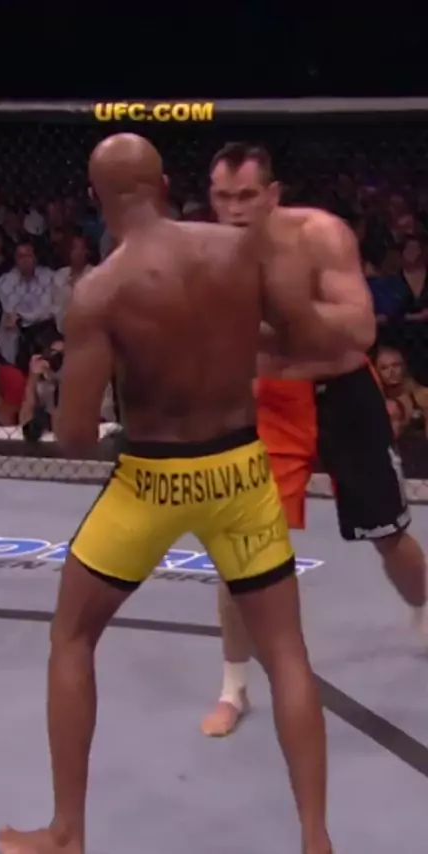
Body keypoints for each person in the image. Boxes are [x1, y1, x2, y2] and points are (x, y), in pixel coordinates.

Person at [0, 133, 376, 854]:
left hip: (152, 480)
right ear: (166, 184)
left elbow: (73, 435)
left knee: (71, 636)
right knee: (287, 654)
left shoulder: (100, 291)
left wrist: (122, 375)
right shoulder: (239, 251)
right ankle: (316, 839)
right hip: (240, 470)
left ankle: (67, 831)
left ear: (95, 199)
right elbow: (311, 337)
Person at [201, 142, 428, 738]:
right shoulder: (202, 253)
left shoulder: (320, 236)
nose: (234, 209)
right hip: (269, 401)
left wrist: (279, 313)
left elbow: (359, 327)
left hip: (344, 392)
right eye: (223, 196)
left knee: (390, 537)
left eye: (247, 195)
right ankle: (233, 686)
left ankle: (423, 609)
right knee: (240, 547)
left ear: (273, 194)